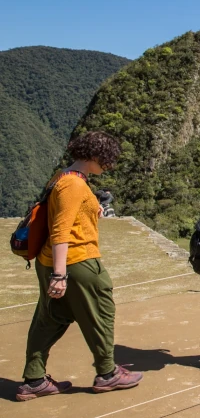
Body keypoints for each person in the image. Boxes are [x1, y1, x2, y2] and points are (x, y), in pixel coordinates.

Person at [17, 132, 143, 401]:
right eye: (106, 160)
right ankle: (107, 374)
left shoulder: (64, 178)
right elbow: (61, 230)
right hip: (76, 262)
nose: (108, 165)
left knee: (49, 320)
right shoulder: (73, 186)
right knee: (101, 313)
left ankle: (34, 379)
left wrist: (91, 206)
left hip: (49, 260)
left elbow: (65, 214)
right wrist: (60, 275)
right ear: (95, 156)